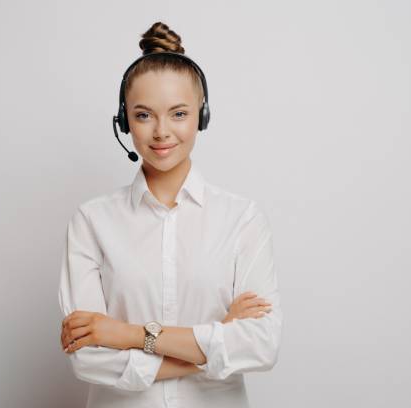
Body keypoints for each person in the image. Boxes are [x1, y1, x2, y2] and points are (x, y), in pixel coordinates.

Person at [58, 21, 282, 408]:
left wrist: (128, 335)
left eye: (178, 114)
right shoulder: (91, 221)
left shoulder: (242, 219)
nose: (162, 132)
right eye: (144, 115)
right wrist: (216, 341)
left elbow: (262, 346)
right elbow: (89, 357)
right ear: (125, 120)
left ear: (202, 115)